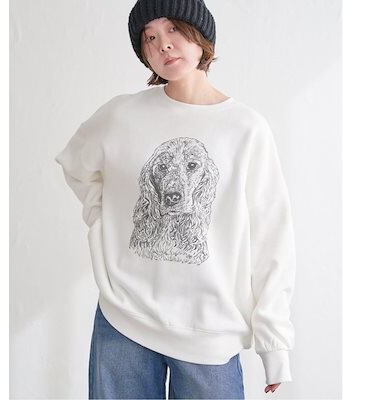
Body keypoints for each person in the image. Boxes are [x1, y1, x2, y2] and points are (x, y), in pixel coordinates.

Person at [55, 0, 296, 398]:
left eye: (173, 29)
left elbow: (271, 238)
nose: (163, 44)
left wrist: (274, 342)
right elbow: (75, 164)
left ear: (200, 34)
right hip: (124, 320)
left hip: (211, 333)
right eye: (149, 38)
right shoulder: (122, 115)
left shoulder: (246, 128)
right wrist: (101, 217)